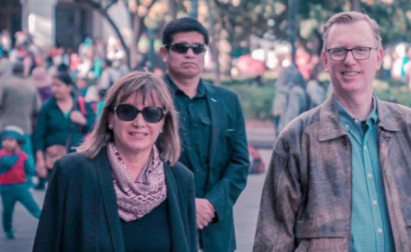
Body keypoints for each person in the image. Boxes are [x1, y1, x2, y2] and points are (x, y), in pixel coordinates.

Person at [254, 11, 411, 252]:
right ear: (325, 60)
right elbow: (273, 238)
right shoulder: (297, 139)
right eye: (338, 51)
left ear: (378, 57)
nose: (350, 60)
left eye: (361, 49)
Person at [33, 71, 198, 252]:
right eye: (127, 111)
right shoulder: (72, 173)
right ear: (110, 118)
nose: (139, 122)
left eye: (152, 113)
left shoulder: (181, 179)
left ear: (163, 122)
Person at [160, 17, 249, 252]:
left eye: (197, 48)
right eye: (181, 47)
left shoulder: (228, 100)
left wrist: (212, 204)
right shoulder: (148, 98)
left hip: (216, 229)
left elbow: (239, 163)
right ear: (164, 53)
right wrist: (188, 206)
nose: (190, 54)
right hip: (165, 226)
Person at [33, 73, 95, 189]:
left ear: (69, 87)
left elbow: (95, 127)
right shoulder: (47, 107)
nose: (55, 89)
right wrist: (40, 160)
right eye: (53, 86)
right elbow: (39, 135)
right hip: (55, 159)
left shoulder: (81, 105)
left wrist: (82, 121)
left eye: (58, 85)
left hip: (78, 158)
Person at [0, 62, 42, 184]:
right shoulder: (31, 86)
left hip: (5, 124)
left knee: (3, 153)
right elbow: (37, 108)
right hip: (24, 125)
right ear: (24, 71)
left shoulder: (4, 83)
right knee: (25, 154)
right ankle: (29, 180)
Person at [0, 126, 41, 239]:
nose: (6, 143)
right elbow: (7, 164)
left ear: (18, 142)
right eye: (4, 140)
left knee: (33, 206)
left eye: (10, 140)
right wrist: (18, 154)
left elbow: (29, 170)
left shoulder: (23, 155)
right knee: (7, 211)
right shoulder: (2, 155)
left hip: (21, 187)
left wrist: (35, 172)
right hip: (6, 188)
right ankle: (8, 230)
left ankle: (47, 221)